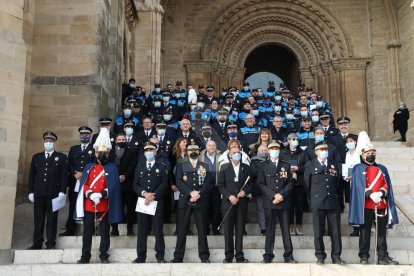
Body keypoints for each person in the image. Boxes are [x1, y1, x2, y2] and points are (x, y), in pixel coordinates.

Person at [349, 131, 399, 265]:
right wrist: (370, 194)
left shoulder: (382, 168)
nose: (370, 155)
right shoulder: (358, 168)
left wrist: (381, 193)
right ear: (362, 155)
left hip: (381, 205)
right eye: (367, 153)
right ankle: (364, 256)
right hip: (366, 205)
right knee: (364, 232)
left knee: (381, 233)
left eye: (372, 153)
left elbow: (386, 184)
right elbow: (359, 186)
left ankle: (383, 256)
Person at [75, 128, 123, 264]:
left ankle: (103, 256)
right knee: (87, 232)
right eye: (99, 152)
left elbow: (113, 186)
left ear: (108, 154)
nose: (101, 154)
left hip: (104, 204)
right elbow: (84, 184)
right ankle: (85, 256)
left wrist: (101, 194)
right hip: (90, 204)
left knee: (104, 231)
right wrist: (90, 194)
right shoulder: (89, 166)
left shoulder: (112, 167)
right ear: (95, 153)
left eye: (104, 153)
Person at [304, 141, 345, 265]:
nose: (324, 152)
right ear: (316, 152)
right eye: (321, 150)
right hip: (317, 202)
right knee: (318, 231)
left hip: (333, 201)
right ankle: (320, 256)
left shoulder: (334, 165)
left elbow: (338, 184)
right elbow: (307, 185)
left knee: (336, 232)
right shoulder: (310, 165)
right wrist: (312, 200)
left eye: (326, 149)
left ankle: (336, 256)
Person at [171, 143, 213, 263]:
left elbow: (208, 182)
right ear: (187, 152)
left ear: (199, 151)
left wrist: (198, 193)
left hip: (201, 200)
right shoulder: (181, 165)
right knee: (182, 230)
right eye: (190, 150)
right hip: (186, 200)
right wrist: (190, 193)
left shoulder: (204, 165)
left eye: (195, 149)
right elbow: (178, 181)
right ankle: (178, 257)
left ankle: (204, 256)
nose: (193, 151)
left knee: (202, 230)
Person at [257, 141, 296, 264]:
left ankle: (288, 256)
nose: (275, 150)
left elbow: (291, 183)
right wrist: (274, 195)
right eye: (272, 148)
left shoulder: (286, 165)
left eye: (277, 148)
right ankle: (268, 256)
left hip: (284, 202)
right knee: (269, 230)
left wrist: (281, 195)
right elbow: (261, 184)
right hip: (270, 202)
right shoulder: (262, 165)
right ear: (268, 151)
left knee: (286, 230)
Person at [27, 131, 68, 250]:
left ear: (54, 142)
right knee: (38, 220)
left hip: (53, 194)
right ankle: (37, 243)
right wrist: (31, 191)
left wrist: (62, 191)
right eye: (46, 141)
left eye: (51, 141)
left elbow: (63, 176)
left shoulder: (61, 157)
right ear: (44, 142)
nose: (48, 143)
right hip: (39, 193)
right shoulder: (36, 157)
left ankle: (50, 243)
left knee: (52, 220)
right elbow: (31, 176)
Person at [132, 142, 169, 263]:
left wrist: (154, 195)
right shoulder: (139, 167)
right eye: (146, 150)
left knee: (158, 230)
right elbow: (135, 185)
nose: (149, 152)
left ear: (155, 152)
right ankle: (141, 256)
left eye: (151, 150)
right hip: (143, 202)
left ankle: (160, 256)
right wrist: (144, 194)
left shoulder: (162, 166)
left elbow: (164, 184)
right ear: (144, 153)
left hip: (156, 201)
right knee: (142, 230)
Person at [217, 144, 252, 263]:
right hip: (228, 204)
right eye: (234, 153)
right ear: (230, 155)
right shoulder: (224, 168)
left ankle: (239, 256)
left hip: (241, 203)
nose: (237, 154)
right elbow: (220, 185)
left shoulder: (246, 168)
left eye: (239, 152)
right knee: (228, 231)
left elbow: (250, 184)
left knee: (240, 229)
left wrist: (245, 192)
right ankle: (228, 256)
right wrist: (229, 196)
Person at [60, 126, 95, 236]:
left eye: (87, 134)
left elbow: (94, 164)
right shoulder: (73, 149)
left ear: (90, 136)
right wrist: (74, 173)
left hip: (88, 182)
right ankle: (70, 229)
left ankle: (90, 229)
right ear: (80, 135)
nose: (84, 136)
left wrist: (83, 174)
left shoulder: (94, 149)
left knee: (88, 204)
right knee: (73, 204)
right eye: (82, 134)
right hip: (74, 181)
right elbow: (69, 164)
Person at [108, 132, 138, 236]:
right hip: (114, 183)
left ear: (126, 140)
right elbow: (109, 165)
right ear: (116, 141)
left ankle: (130, 229)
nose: (121, 141)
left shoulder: (131, 151)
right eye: (119, 140)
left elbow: (133, 165)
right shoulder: (110, 152)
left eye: (123, 139)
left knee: (130, 207)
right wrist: (116, 176)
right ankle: (114, 228)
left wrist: (124, 175)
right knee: (115, 206)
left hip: (128, 183)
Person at [280, 133, 307, 236]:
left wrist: (298, 169)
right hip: (287, 182)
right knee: (289, 204)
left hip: (299, 182)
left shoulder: (302, 153)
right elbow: (280, 165)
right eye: (293, 139)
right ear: (288, 140)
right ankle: (291, 225)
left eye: (296, 139)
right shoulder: (283, 152)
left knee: (299, 204)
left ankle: (299, 224)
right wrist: (288, 170)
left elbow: (307, 166)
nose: (295, 140)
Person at [199, 140, 222, 235]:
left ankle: (215, 229)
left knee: (216, 210)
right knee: (205, 209)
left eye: (213, 145)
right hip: (204, 187)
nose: (211, 147)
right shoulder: (201, 157)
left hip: (217, 186)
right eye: (209, 145)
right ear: (206, 147)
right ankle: (206, 229)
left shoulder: (220, 156)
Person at [343, 134, 361, 237]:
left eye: (351, 140)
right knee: (353, 206)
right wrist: (347, 176)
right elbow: (347, 167)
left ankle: (363, 227)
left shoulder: (360, 153)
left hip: (360, 182)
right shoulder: (347, 154)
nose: (349, 143)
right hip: (350, 183)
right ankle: (355, 228)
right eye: (347, 141)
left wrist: (354, 176)